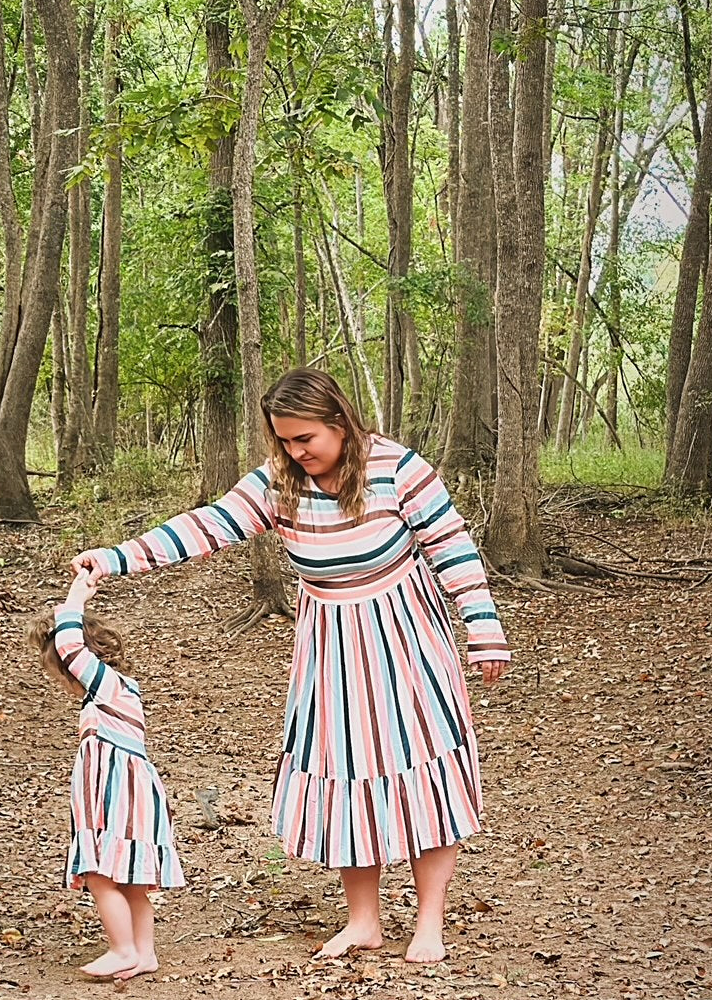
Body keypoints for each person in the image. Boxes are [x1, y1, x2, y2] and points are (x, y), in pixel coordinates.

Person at [73, 369, 509, 964]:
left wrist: (483, 631)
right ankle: (364, 922)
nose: (295, 451)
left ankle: (428, 921)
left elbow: (452, 548)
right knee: (347, 771)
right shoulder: (278, 482)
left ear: (340, 421)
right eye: (284, 441)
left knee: (420, 766)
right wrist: (118, 558)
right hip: (329, 641)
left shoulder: (399, 469)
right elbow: (207, 526)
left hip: (407, 635)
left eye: (305, 438)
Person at [27, 567, 184, 980]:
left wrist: (74, 599)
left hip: (117, 794)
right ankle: (144, 953)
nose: (65, 681)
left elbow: (67, 644)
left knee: (99, 873)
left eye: (62, 674)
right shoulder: (121, 690)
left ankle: (122, 948)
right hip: (133, 793)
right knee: (130, 877)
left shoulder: (105, 685)